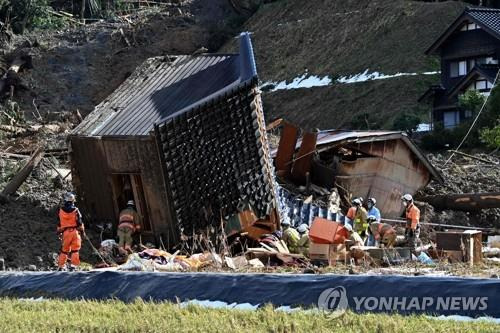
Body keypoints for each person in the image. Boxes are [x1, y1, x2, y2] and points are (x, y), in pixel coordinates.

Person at [57, 192, 84, 271]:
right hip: (75, 232)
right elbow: (79, 222)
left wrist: (59, 232)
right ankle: (74, 266)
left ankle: (61, 266)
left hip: (65, 232)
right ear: (73, 200)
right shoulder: (76, 210)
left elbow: (59, 223)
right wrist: (82, 231)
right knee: (75, 250)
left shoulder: (61, 211)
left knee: (64, 250)